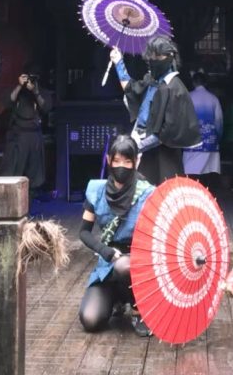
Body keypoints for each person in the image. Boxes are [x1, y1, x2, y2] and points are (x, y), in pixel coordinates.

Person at [78, 135, 155, 337]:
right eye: (117, 160)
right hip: (108, 262)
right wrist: (104, 250)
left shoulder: (148, 194)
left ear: (137, 161)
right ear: (108, 160)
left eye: (127, 161)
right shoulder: (96, 190)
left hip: (139, 266)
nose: (121, 166)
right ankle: (117, 300)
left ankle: (139, 309)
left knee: (124, 266)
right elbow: (83, 232)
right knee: (90, 319)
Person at [110, 36, 200, 185]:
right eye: (151, 56)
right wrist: (118, 62)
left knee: (164, 192)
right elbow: (131, 89)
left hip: (164, 154)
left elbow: (167, 131)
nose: (153, 60)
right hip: (142, 146)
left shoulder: (175, 88)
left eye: (157, 56)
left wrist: (137, 146)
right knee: (140, 191)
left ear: (169, 56)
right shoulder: (150, 81)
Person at [0, 68, 48, 193]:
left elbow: (46, 107)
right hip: (17, 135)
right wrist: (19, 86)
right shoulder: (16, 90)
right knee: (14, 170)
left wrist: (35, 92)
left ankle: (30, 198)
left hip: (34, 136)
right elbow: (8, 101)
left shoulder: (40, 91)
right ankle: (14, 198)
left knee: (33, 173)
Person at [183, 71, 223, 190]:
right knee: (208, 170)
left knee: (190, 170)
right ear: (205, 83)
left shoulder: (188, 97)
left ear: (193, 83)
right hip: (210, 140)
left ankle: (192, 191)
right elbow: (219, 121)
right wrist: (218, 137)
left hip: (192, 139)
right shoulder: (213, 98)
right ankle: (205, 191)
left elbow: (182, 119)